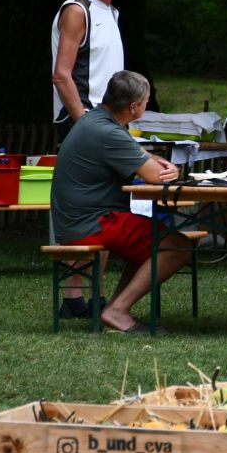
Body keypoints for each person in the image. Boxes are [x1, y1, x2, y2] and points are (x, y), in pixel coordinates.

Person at [51, 70, 189, 333]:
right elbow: (157, 176)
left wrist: (157, 163)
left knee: (152, 241)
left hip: (79, 218)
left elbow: (141, 155)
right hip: (92, 222)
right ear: (134, 106)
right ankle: (117, 311)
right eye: (147, 101)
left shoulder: (98, 121)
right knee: (178, 246)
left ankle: (114, 309)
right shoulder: (108, 132)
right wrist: (171, 169)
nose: (147, 105)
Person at [51, 0, 130, 144]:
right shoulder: (78, 10)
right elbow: (61, 75)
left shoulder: (112, 12)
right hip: (83, 118)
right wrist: (85, 122)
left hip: (109, 119)